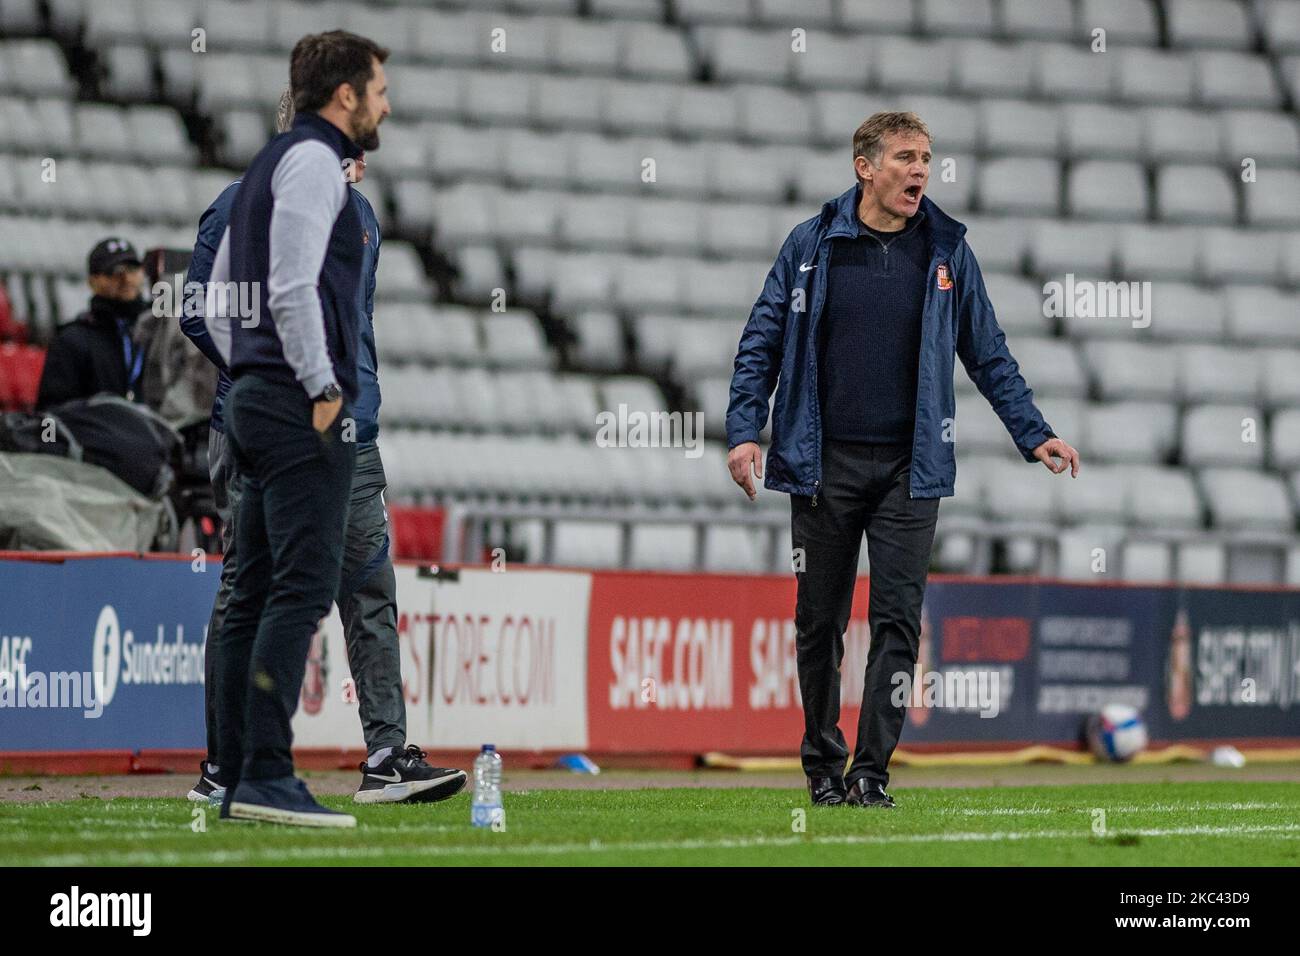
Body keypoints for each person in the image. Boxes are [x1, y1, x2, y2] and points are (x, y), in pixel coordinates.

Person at [725, 111, 1081, 809]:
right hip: (821, 465)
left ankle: (870, 772)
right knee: (819, 620)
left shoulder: (948, 251)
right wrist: (744, 432)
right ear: (865, 166)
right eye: (907, 157)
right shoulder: (810, 245)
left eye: (928, 158)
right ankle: (823, 766)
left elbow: (988, 351)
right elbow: (760, 339)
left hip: (911, 471)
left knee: (898, 622)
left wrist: (1033, 432)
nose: (922, 170)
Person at [183, 90, 464, 809]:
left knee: (369, 588)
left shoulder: (362, 216)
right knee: (253, 585)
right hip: (272, 434)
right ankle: (228, 764)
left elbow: (353, 330)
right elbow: (201, 312)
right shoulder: (243, 203)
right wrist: (276, 386)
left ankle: (385, 754)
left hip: (352, 436)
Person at [203, 31, 394, 827]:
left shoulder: (262, 169)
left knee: (249, 592)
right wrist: (317, 387)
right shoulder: (315, 165)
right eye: (379, 89)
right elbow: (290, 289)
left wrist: (246, 372)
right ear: (344, 95)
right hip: (295, 405)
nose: (387, 103)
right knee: (303, 586)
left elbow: (216, 303)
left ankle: (231, 771)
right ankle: (267, 773)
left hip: (253, 397)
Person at [37, 238, 148, 409]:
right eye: (113, 272)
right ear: (92, 282)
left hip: (154, 433)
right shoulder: (72, 340)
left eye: (132, 269)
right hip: (96, 434)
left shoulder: (158, 331)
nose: (126, 279)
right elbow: (52, 410)